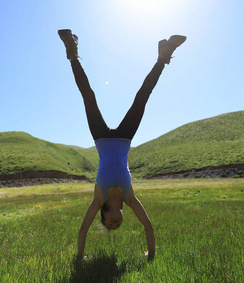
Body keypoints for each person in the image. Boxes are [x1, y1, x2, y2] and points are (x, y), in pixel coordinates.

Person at [58, 29, 186, 260]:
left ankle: (72, 53)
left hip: (101, 138)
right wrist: (151, 253)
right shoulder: (130, 198)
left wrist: (80, 257)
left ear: (104, 216)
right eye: (118, 225)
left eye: (110, 224)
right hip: (125, 137)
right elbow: (148, 226)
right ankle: (163, 57)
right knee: (142, 96)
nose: (115, 224)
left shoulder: (99, 200)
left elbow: (83, 229)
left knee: (88, 96)